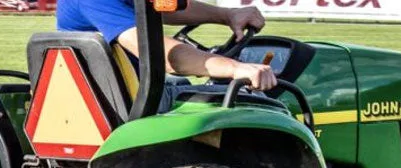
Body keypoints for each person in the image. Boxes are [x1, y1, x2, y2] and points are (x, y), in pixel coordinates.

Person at [56, 0, 278, 96]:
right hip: (131, 102)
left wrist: (228, 15)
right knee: (254, 101)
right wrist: (235, 69)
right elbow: (162, 56)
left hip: (119, 94)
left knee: (185, 85)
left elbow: (169, 10)